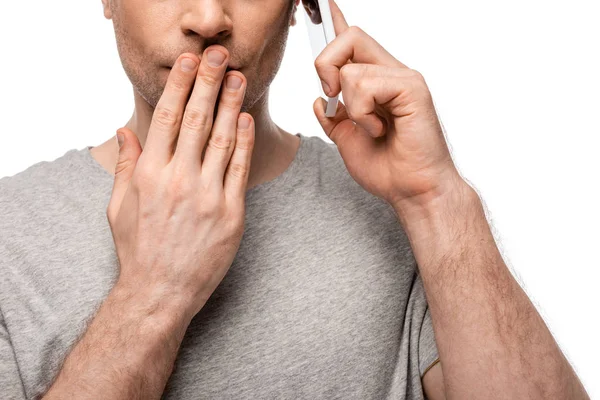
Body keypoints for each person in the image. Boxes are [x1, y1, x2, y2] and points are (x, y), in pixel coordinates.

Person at [0, 0, 589, 398]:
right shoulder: (10, 231)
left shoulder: (399, 212)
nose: (208, 17)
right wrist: (153, 296)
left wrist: (436, 200)